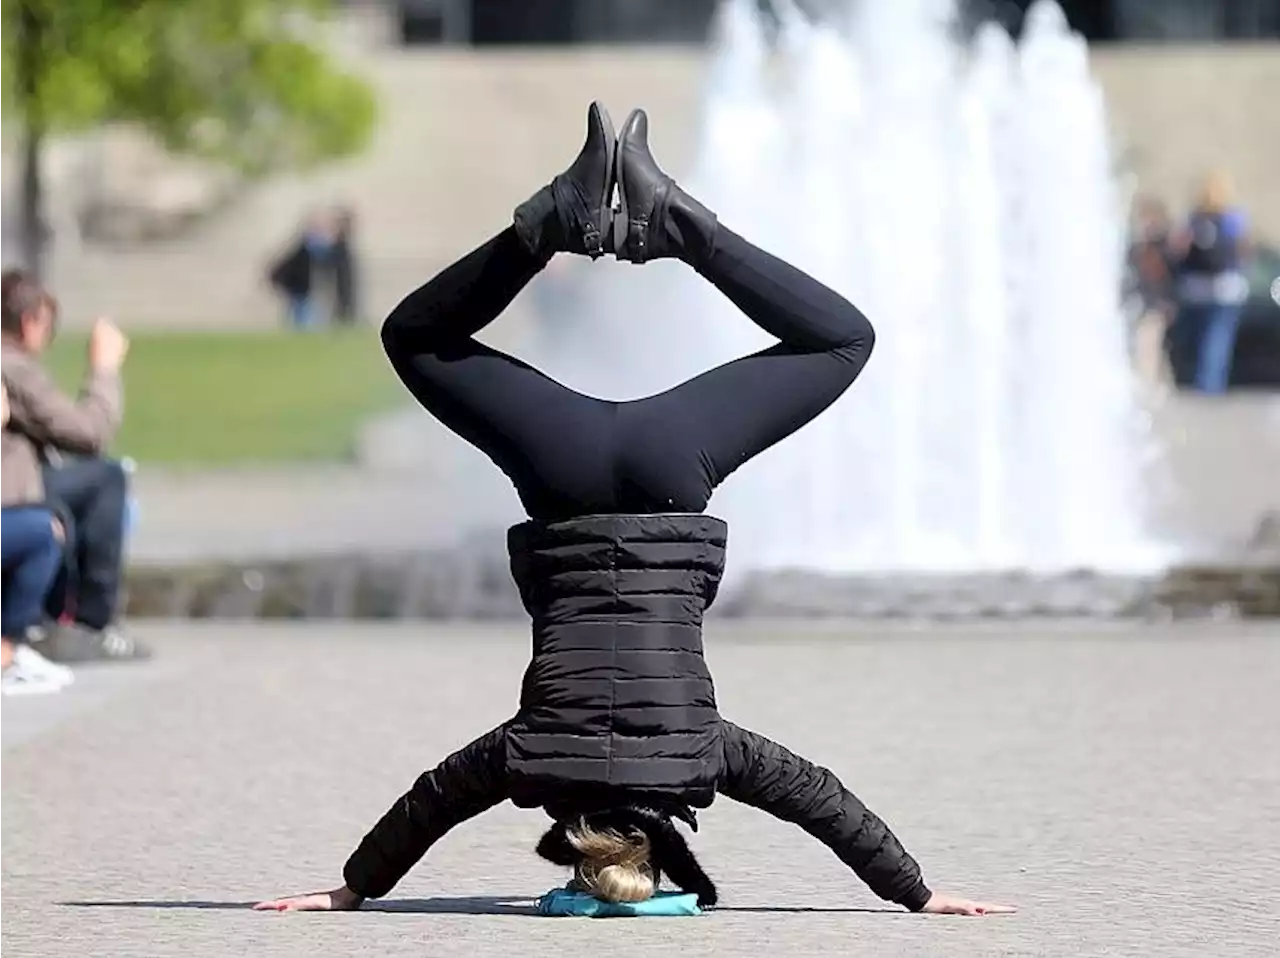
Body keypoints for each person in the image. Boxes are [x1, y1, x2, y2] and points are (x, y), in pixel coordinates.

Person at [257, 104, 1014, 918]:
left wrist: (918, 892)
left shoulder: (702, 754)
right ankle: (551, 223)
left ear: (664, 843)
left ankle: (680, 227)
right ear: (574, 842)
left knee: (840, 342)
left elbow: (822, 802)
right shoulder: (529, 756)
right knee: (414, 338)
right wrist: (352, 888)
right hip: (563, 473)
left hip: (670, 472)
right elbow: (432, 801)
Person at [0, 274, 129, 691]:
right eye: (48, 327)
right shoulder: (12, 367)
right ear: (31, 322)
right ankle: (88, 624)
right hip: (12, 499)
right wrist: (104, 368)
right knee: (105, 477)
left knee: (80, 492)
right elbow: (89, 432)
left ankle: (56, 621)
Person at [1172, 171, 1252, 394]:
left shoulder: (1193, 218)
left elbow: (1179, 248)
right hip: (1226, 287)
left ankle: (1195, 380)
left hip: (1195, 287)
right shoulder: (1233, 218)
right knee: (1217, 339)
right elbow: (1244, 250)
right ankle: (1210, 385)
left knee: (1196, 337)